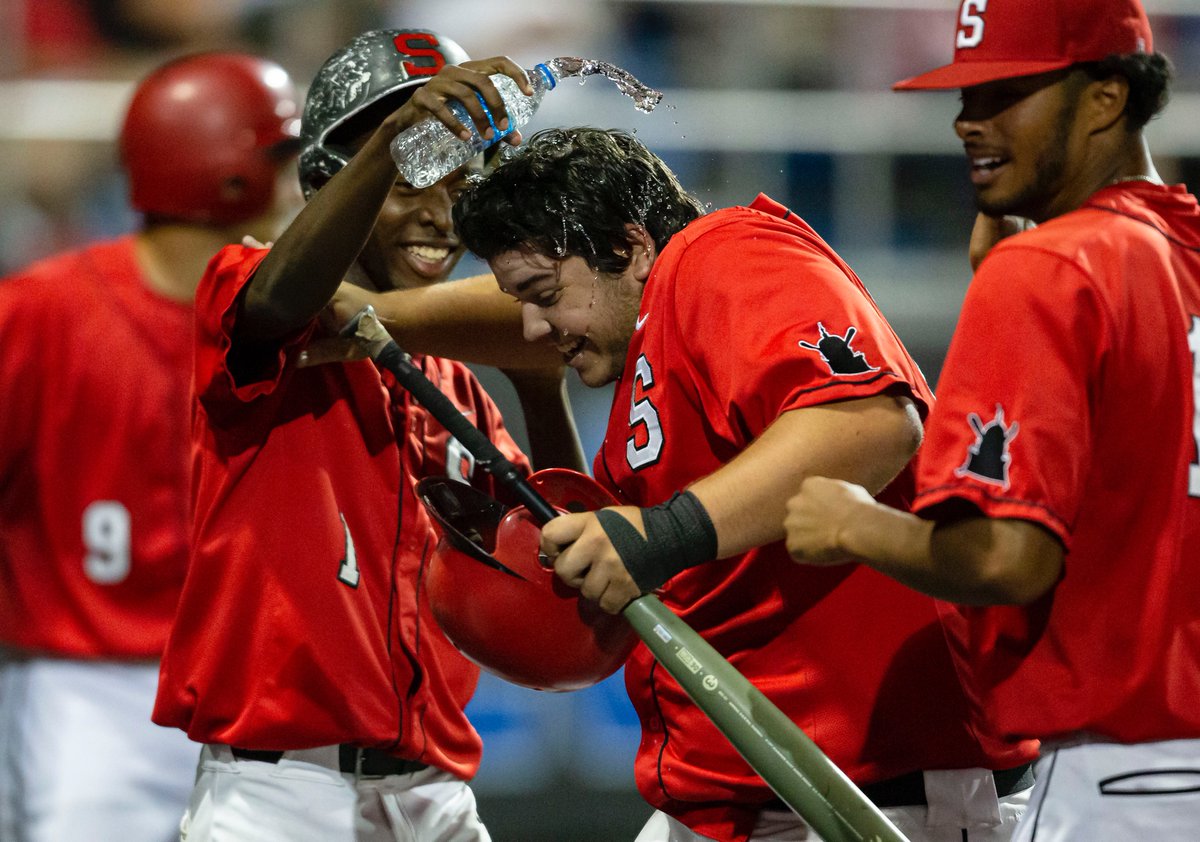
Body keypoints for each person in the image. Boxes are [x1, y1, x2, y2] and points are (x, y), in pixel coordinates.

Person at [453, 126, 1039, 842]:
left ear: (633, 247)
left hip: (861, 793)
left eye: (543, 293)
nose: (532, 327)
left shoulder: (721, 254)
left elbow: (870, 423)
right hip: (748, 794)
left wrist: (662, 533)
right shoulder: (653, 353)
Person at [784, 1, 1200, 839]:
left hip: (1122, 778)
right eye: (965, 97)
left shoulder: (1048, 269)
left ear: (1106, 99)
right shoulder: (1171, 251)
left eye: (1005, 92)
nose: (968, 123)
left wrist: (854, 524)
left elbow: (1009, 560)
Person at [152, 29, 580, 841]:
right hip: (279, 791)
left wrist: (540, 391)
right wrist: (390, 138)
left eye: (458, 184)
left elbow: (560, 577)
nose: (437, 209)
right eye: (412, 175)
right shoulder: (248, 283)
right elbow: (280, 303)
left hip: (436, 794)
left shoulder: (457, 383)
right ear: (329, 178)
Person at [0, 52, 304, 842]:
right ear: (227, 171)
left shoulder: (302, 318)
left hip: (254, 692)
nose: (301, 179)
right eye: (283, 155)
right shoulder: (42, 312)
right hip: (88, 690)